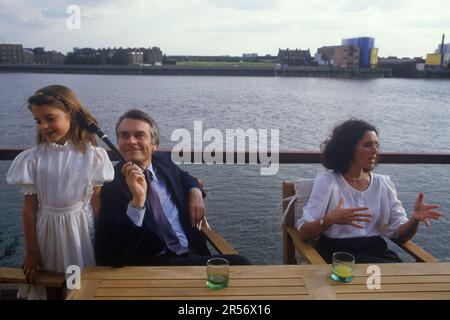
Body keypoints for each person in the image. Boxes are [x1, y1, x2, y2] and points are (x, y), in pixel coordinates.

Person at [95, 109, 250, 266]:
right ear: (118, 143)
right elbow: (113, 255)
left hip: (191, 253)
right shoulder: (112, 186)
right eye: (124, 135)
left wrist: (195, 191)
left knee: (242, 266)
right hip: (153, 265)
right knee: (240, 264)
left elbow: (186, 178)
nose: (131, 141)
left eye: (139, 135)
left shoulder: (163, 162)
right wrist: (137, 202)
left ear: (154, 144)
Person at [6, 85, 114, 299]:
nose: (43, 126)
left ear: (71, 115)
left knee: (79, 284)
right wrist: (31, 252)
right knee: (50, 283)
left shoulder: (93, 156)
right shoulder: (33, 159)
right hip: (47, 233)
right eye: (38, 121)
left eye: (50, 118)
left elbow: (96, 202)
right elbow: (30, 208)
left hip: (81, 233)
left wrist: (102, 242)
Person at [297, 119, 442, 263]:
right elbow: (304, 232)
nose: (375, 150)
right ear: (348, 148)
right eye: (368, 145)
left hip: (377, 254)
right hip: (338, 256)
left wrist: (414, 220)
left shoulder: (383, 184)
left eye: (377, 145)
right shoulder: (328, 182)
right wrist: (330, 219)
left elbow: (401, 235)